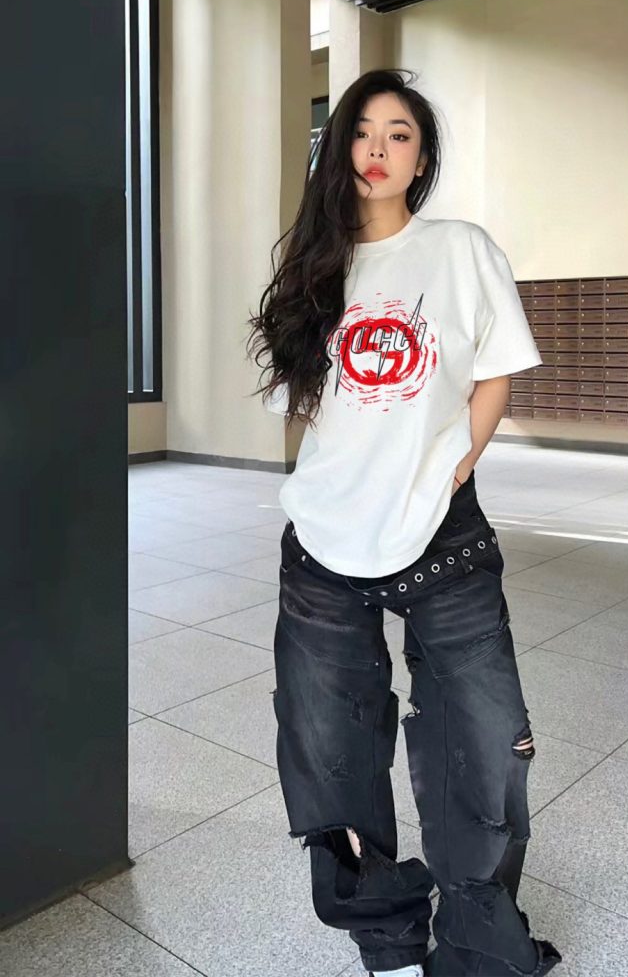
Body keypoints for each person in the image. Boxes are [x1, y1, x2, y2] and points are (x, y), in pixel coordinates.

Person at [245, 68, 562, 977]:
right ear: (338, 148)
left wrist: (461, 460)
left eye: (399, 135)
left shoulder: (459, 249)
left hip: (441, 541)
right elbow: (307, 403)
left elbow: (495, 369)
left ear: (421, 160)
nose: (377, 150)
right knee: (329, 754)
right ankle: (385, 939)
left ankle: (476, 944)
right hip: (322, 545)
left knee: (485, 743)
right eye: (361, 132)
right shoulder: (313, 267)